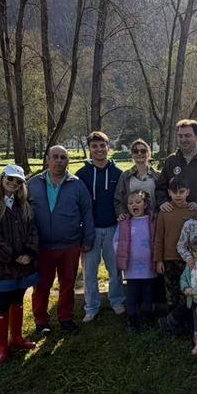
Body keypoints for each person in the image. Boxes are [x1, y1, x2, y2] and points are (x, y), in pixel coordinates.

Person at [0, 164, 40, 363]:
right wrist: (12, 255)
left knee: (18, 299)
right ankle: (2, 347)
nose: (13, 183)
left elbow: (33, 229)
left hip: (23, 265)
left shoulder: (24, 203)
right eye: (10, 178)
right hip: (1, 265)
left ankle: (17, 338)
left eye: (18, 181)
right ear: (2, 178)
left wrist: (29, 252)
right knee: (1, 304)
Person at [29, 146, 94, 336]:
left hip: (69, 245)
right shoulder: (33, 184)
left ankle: (66, 318)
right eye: (55, 157)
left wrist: (88, 238)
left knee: (67, 284)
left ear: (68, 161)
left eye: (63, 157)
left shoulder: (77, 184)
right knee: (41, 285)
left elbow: (87, 212)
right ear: (47, 160)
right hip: (42, 246)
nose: (59, 161)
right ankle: (41, 321)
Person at [78, 131, 125, 323]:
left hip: (113, 228)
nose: (99, 149)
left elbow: (123, 199)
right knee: (89, 272)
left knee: (115, 269)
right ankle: (91, 306)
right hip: (90, 230)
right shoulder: (81, 175)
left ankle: (117, 300)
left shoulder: (118, 173)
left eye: (102, 146)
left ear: (108, 147)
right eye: (94, 146)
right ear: (89, 149)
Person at [155, 177, 197, 335]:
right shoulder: (164, 212)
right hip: (169, 259)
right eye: (174, 192)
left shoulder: (194, 211)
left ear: (188, 192)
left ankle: (186, 323)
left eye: (182, 191)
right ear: (169, 193)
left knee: (187, 293)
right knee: (171, 293)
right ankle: (171, 324)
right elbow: (159, 238)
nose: (178, 195)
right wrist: (158, 260)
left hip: (188, 260)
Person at [114, 191, 155, 332]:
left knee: (148, 294)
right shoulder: (125, 223)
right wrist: (121, 256)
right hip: (131, 268)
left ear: (145, 204)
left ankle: (147, 317)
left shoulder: (152, 221)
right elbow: (116, 241)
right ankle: (132, 320)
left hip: (149, 267)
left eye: (138, 202)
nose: (134, 205)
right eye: (130, 203)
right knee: (132, 295)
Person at [115, 139, 160, 219]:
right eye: (135, 151)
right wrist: (121, 213)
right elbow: (118, 199)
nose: (139, 153)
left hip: (154, 220)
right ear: (132, 154)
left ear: (148, 153)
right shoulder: (125, 176)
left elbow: (163, 197)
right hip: (132, 220)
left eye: (143, 151)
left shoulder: (158, 176)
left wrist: (159, 214)